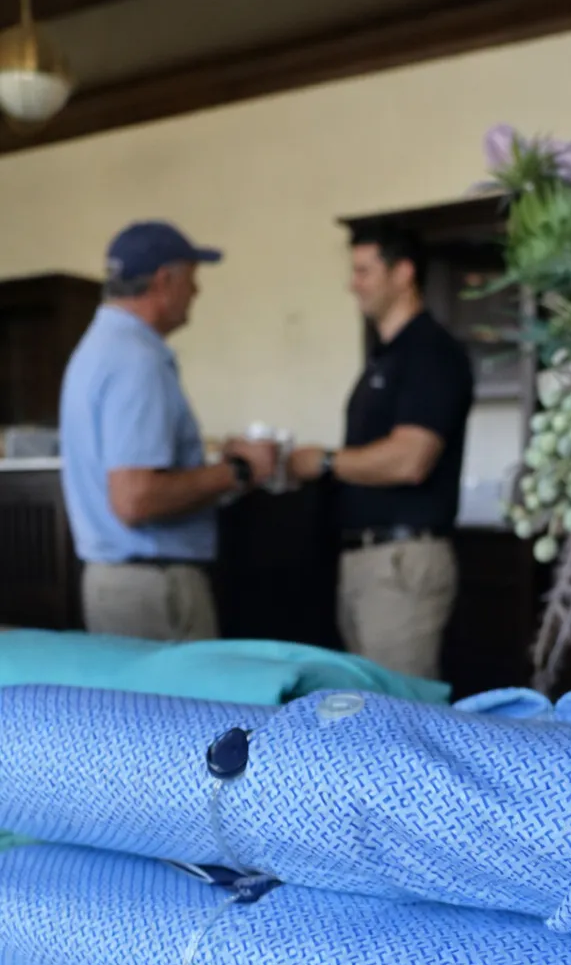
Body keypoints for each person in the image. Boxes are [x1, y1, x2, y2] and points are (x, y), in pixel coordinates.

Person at [60, 221, 277, 642]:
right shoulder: (136, 359)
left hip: (118, 583)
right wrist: (238, 470)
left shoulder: (96, 348)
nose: (196, 293)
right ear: (165, 281)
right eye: (192, 281)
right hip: (153, 591)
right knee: (187, 709)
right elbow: (135, 497)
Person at [290, 220, 474, 680]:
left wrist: (326, 461)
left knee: (398, 715)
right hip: (365, 560)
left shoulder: (431, 352)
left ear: (403, 273)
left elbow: (411, 458)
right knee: (364, 709)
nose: (353, 285)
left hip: (401, 560)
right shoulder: (386, 356)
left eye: (364, 271)